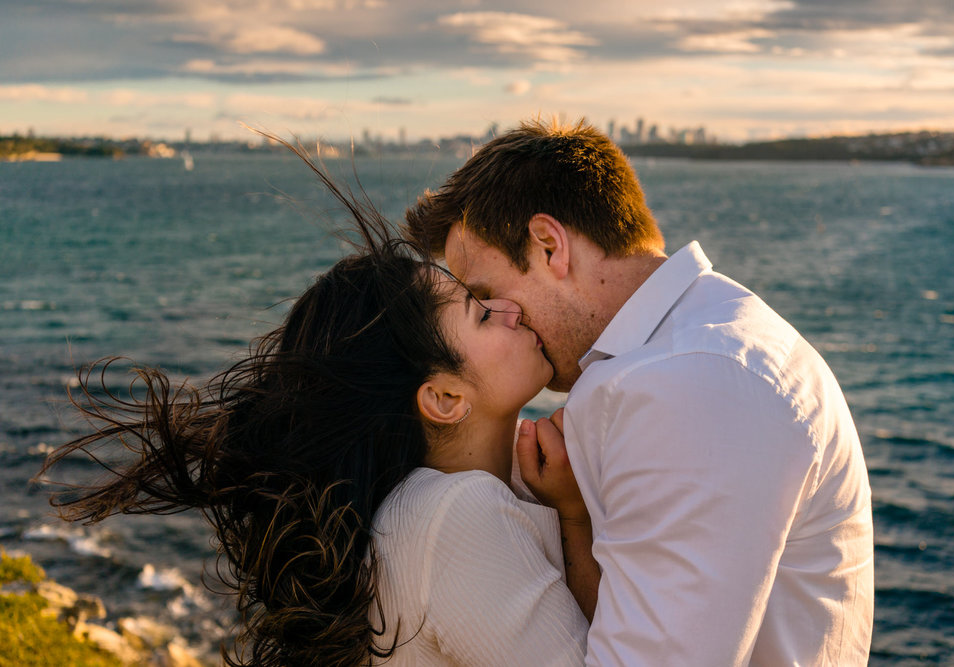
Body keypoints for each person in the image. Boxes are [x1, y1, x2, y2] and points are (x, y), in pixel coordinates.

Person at [40, 138, 594, 667]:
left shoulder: (449, 498)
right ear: (444, 398)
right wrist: (573, 516)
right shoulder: (457, 516)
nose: (510, 309)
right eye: (479, 311)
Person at [405, 118, 875, 666]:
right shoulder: (698, 348)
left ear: (549, 244)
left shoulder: (692, 385)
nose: (502, 318)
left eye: (488, 293)